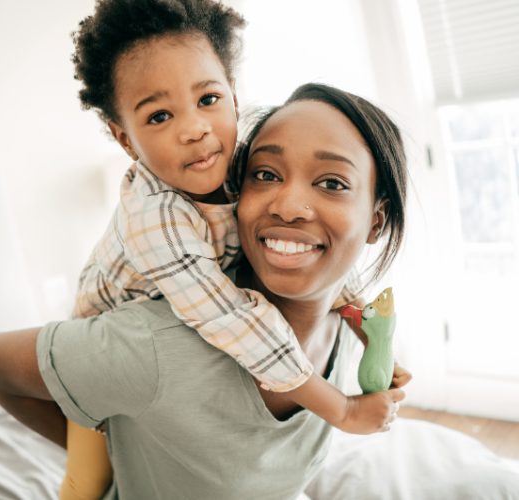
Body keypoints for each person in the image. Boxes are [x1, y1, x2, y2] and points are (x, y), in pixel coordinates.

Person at [0, 82, 411, 500]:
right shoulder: (153, 345)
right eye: (266, 174)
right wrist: (111, 438)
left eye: (332, 183)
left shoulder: (338, 322)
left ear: (376, 221)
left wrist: (369, 335)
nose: (288, 206)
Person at [51, 0, 405, 498]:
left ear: (234, 99)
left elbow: (308, 240)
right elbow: (230, 320)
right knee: (86, 481)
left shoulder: (243, 155)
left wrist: (358, 318)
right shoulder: (157, 219)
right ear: (125, 140)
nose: (194, 128)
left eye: (208, 99)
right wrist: (340, 409)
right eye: (158, 115)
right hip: (103, 354)